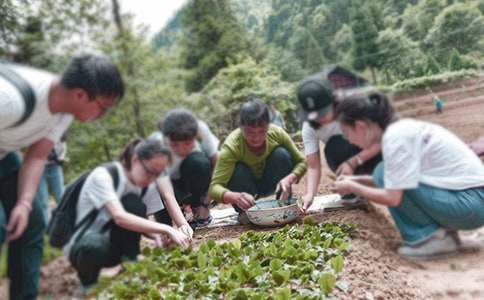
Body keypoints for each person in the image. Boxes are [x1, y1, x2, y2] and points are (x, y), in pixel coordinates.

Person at [0, 54, 124, 300]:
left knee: (33, 218)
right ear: (80, 94)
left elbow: (36, 157)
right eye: (103, 108)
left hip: (4, 154)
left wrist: (24, 203)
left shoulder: (64, 111)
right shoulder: (9, 100)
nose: (101, 117)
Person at [332, 91, 484, 260]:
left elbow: (392, 196)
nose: (349, 141)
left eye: (347, 134)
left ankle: (432, 239)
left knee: (383, 171)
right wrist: (355, 180)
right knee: (384, 173)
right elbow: (394, 181)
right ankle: (448, 237)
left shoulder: (395, 139)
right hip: (471, 201)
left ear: (361, 126)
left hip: (471, 205)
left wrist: (352, 187)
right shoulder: (401, 130)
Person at [66, 139, 192, 293]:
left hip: (113, 245)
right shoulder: (103, 176)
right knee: (93, 246)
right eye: (151, 172)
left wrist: (161, 235)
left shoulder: (143, 183)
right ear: (135, 160)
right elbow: (120, 217)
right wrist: (167, 229)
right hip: (85, 246)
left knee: (133, 204)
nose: (153, 179)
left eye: (158, 175)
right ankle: (89, 284)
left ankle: (130, 262)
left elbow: (140, 219)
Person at [209, 98, 307, 223]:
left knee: (281, 154)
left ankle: (283, 202)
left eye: (261, 131)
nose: (256, 138)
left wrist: (291, 177)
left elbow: (302, 161)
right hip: (245, 188)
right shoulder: (232, 145)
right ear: (241, 127)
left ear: (268, 126)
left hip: (273, 181)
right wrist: (235, 197)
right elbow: (214, 188)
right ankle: (245, 211)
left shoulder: (276, 133)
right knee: (237, 169)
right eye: (250, 132)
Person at [296, 73, 382, 213]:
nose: (320, 119)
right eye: (314, 115)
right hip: (347, 156)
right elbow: (313, 166)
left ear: (333, 101)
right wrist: (310, 194)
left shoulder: (353, 108)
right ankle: (354, 191)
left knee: (340, 143)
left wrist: (352, 162)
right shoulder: (309, 126)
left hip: (375, 155)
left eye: (323, 112)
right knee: (334, 148)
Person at [150, 109, 219, 227]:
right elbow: (167, 194)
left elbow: (217, 161)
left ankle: (198, 207)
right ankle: (167, 223)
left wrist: (206, 201)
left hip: (189, 178)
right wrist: (183, 226)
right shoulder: (157, 145)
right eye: (175, 145)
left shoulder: (200, 128)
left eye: (188, 143)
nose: (181, 150)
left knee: (200, 163)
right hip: (167, 186)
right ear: (167, 137)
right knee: (154, 188)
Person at [38, 131, 68, 223]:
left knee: (61, 196)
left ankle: (64, 223)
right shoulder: (42, 136)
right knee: (43, 200)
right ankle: (46, 225)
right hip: (40, 168)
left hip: (55, 168)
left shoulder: (62, 144)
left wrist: (57, 159)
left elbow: (60, 159)